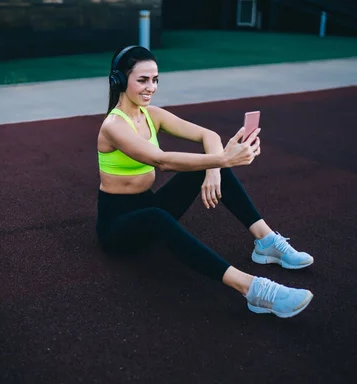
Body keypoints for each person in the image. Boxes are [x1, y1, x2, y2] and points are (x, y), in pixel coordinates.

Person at [96, 45, 314, 318]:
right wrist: (221, 161)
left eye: (155, 80)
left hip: (148, 204)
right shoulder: (113, 126)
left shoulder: (152, 115)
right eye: (142, 80)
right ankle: (252, 290)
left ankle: (266, 241)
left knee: (206, 171)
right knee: (159, 215)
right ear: (118, 80)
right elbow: (161, 161)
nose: (151, 87)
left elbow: (208, 135)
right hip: (117, 225)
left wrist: (214, 170)